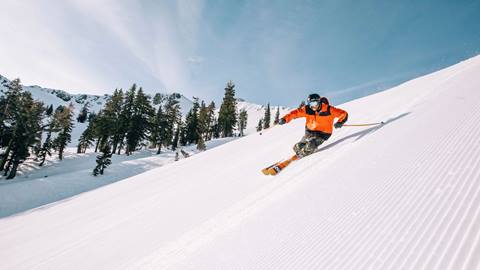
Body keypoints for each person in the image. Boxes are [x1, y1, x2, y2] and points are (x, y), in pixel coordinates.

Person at [279, 93, 348, 157]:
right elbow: (295, 113)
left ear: (319, 102)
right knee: (297, 147)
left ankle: (304, 154)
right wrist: (285, 119)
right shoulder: (307, 109)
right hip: (310, 131)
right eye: (311, 104)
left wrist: (340, 122)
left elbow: (344, 114)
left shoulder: (329, 109)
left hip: (323, 133)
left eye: (315, 103)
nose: (313, 106)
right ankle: (301, 151)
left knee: (310, 145)